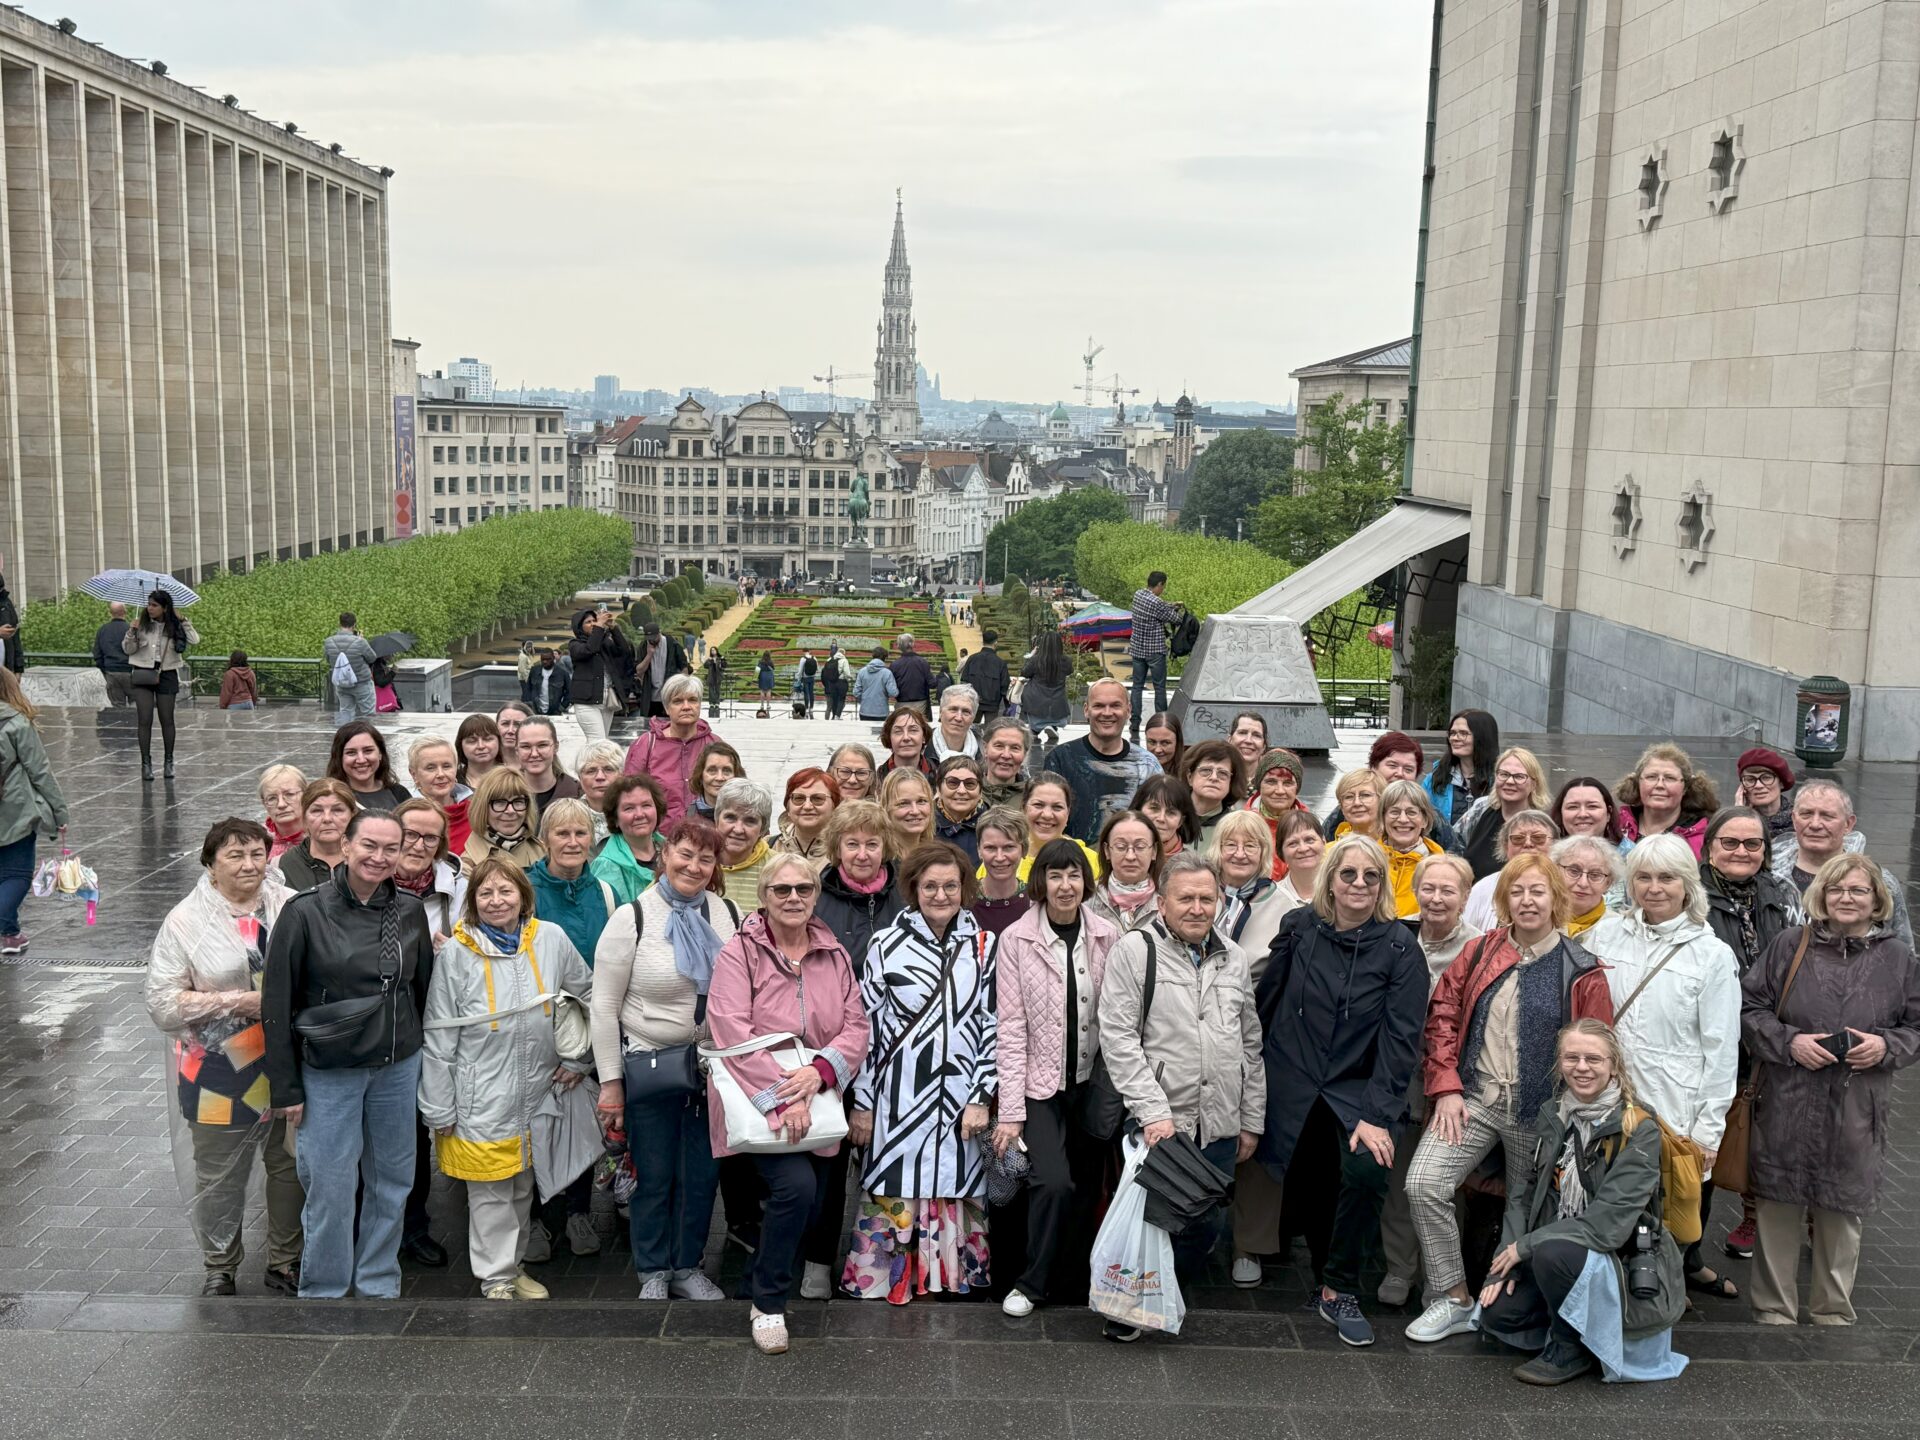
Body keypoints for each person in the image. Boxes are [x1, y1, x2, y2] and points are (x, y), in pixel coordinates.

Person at [1404, 853, 1615, 1344]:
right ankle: (1453, 1297)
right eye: (1517, 891)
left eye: (1537, 891)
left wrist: (1570, 1120)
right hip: (1474, 1100)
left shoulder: (1583, 970)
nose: (1527, 901)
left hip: (1539, 1114)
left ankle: (1504, 1306)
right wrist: (1446, 1087)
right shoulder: (1479, 952)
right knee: (1423, 1183)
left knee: (1525, 1213)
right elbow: (1442, 1018)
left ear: (1556, 899)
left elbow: (1593, 1052)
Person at [1253, 835, 1425, 1346]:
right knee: (1309, 1175)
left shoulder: (1401, 949)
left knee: (1366, 1171)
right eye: (1348, 873)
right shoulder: (1300, 927)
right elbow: (1268, 1001)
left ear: (1382, 885)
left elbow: (1400, 1041)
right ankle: (1323, 1277)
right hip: (1295, 1075)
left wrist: (1376, 1114)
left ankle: (1341, 1288)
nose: (1359, 884)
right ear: (1330, 880)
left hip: (1359, 1085)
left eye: (1371, 876)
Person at [261, 810, 435, 1298]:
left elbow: (422, 991)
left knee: (392, 1180)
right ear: (346, 846)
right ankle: (324, 1286)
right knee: (330, 1185)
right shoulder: (303, 912)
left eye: (390, 848)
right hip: (329, 1070)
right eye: (369, 846)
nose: (379, 857)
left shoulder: (409, 910)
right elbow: (276, 1003)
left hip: (396, 1067)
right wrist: (286, 1088)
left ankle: (378, 1280)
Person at [1742, 855, 1920, 1326]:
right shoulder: (1790, 945)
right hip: (1787, 1097)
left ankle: (1832, 1313)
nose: (1846, 898)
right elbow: (1749, 1007)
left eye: (1858, 890)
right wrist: (1789, 1042)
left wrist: (1885, 1046)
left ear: (1877, 900)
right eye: (1836, 889)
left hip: (1857, 1105)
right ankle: (1773, 1311)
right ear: (1820, 895)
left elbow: (1916, 1027)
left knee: (1842, 1212)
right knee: (1778, 1205)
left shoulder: (1898, 959)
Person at [1096, 851, 1262, 1339]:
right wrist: (1152, 1111)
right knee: (1158, 1221)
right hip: (1163, 1120)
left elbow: (1250, 1042)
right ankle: (1131, 1308)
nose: (1197, 908)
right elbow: (1119, 1038)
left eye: (1206, 898)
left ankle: (1160, 1300)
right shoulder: (1135, 951)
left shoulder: (1233, 957)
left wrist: (1251, 1118)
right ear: (1162, 902)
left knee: (1206, 1225)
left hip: (1220, 1120)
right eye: (1185, 898)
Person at [709, 854, 871, 1350]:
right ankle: (769, 1305)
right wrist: (784, 1100)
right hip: (761, 1097)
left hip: (818, 1096)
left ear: (816, 895)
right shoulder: (739, 953)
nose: (793, 898)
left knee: (813, 1202)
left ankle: (753, 1282)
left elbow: (856, 1026)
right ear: (763, 897)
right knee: (795, 1189)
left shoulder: (832, 953)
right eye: (781, 890)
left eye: (803, 888)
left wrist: (819, 1073)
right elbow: (731, 1033)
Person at [1477, 1019, 1687, 1385]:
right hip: (1557, 1250)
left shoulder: (1638, 1128)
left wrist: (1526, 1247)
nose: (1582, 1067)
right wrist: (1504, 1263)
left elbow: (1606, 1227)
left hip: (1612, 1255)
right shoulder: (1553, 1114)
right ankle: (1582, 1330)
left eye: (1593, 1059)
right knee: (1500, 1314)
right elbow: (1523, 1193)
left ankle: (1569, 1348)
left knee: (1552, 1252)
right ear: (1559, 1063)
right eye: (1571, 1058)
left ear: (1613, 1065)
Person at [420, 856, 592, 1301]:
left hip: (538, 1092)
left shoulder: (550, 939)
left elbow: (587, 994)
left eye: (506, 890)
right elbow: (439, 1034)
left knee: (520, 1186)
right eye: (486, 893)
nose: (497, 901)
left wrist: (579, 1060)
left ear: (523, 895)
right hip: (479, 1096)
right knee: (490, 1192)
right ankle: (495, 1278)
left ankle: (513, 1269)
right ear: (473, 901)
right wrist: (438, 1106)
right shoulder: (457, 953)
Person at [145, 818, 303, 1296]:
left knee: (289, 1164)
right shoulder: (186, 921)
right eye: (235, 855)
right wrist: (239, 1002)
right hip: (215, 1070)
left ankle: (286, 1260)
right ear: (210, 864)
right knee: (220, 1173)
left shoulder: (291, 905)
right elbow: (163, 1003)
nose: (249, 864)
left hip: (286, 1060)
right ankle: (220, 1264)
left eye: (257, 853)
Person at [1581, 834, 1742, 1301]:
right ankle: (1612, 1295)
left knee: (1666, 1208)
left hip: (1674, 1105)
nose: (1654, 888)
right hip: (1607, 1100)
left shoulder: (1712, 955)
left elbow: (1721, 1049)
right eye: (1644, 877)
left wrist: (1708, 1131)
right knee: (1605, 1197)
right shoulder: (1605, 934)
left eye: (1667, 878)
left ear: (1687, 884)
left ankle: (1662, 1297)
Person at [591, 815, 741, 1300]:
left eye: (705, 858)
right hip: (651, 1064)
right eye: (685, 854)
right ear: (664, 854)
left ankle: (687, 1265)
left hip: (711, 1068)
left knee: (702, 1175)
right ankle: (653, 1269)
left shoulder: (728, 913)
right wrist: (611, 1084)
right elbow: (604, 1007)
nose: (694, 866)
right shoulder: (632, 917)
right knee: (654, 1173)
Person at [843, 842, 998, 1304]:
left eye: (950, 885)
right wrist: (863, 1103)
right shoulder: (886, 945)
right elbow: (867, 1029)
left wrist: (981, 1096)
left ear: (964, 888)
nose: (940, 895)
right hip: (898, 1095)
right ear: (913, 888)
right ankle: (884, 1280)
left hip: (959, 1097)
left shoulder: (985, 946)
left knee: (955, 1179)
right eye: (930, 886)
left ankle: (948, 1279)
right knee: (896, 1179)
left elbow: (994, 1025)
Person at [991, 838, 1119, 1316]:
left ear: (1087, 881)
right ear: (1040, 882)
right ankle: (1031, 1282)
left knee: (1086, 1187)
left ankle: (1076, 1281)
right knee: (1053, 1182)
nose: (1065, 885)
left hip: (1091, 1083)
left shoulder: (1107, 935)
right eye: (1055, 875)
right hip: (1039, 1085)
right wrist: (1011, 1111)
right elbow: (1010, 1026)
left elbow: (1118, 1016)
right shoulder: (1016, 939)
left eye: (1074, 875)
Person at [1374, 850, 1482, 1306]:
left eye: (1448, 891)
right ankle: (1399, 1269)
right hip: (1401, 1079)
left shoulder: (1480, 948)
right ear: (1415, 891)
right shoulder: (1397, 937)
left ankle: (1440, 1277)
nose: (1437, 898)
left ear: (1465, 897)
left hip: (1452, 1083)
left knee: (1441, 1183)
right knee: (1399, 1179)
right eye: (1429, 888)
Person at [1696, 805, 1800, 1261]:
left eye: (1753, 843)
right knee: (1707, 1135)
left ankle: (1754, 1214)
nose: (1741, 851)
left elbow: (1801, 949)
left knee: (1764, 1131)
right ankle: (1689, 1246)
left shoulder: (1782, 891)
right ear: (1710, 847)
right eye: (1730, 842)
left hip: (1770, 1030)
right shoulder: (1692, 893)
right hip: (1711, 1032)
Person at [1771, 779, 1912, 947]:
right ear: (1794, 820)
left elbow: (1902, 951)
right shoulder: (1769, 876)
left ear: (1848, 824)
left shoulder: (1880, 882)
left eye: (1827, 816)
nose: (1815, 824)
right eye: (1806, 814)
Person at [1040, 678, 1161, 845]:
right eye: (1099, 706)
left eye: (1115, 705)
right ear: (1086, 710)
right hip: (1069, 858)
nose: (1107, 713)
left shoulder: (1147, 765)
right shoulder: (1060, 759)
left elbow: (1157, 823)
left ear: (1128, 710)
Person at [0, 670, 66, 957]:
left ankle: (10, 933)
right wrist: (59, 813)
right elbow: (39, 771)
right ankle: (6, 932)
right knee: (16, 874)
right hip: (14, 808)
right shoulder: (16, 723)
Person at [622, 674, 718, 829]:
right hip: (658, 836)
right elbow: (628, 792)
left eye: (693, 700)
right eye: (678, 701)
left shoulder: (714, 744)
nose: (686, 707)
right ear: (667, 708)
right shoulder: (646, 744)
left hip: (706, 835)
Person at [124, 588, 198, 780]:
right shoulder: (141, 625)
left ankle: (169, 761)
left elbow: (194, 640)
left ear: (165, 608)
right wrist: (132, 631)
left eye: (155, 605)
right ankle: (145, 763)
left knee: (167, 719)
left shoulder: (174, 626)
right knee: (144, 719)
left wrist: (183, 620)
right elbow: (128, 650)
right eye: (149, 604)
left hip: (166, 674)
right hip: (143, 673)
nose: (150, 608)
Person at [1212, 809, 1300, 961]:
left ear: (1263, 851)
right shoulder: (1200, 893)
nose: (1240, 854)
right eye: (1231, 845)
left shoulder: (1286, 907)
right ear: (1218, 849)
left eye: (1250, 846)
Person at [1461, 810, 1561, 932]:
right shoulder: (1483, 888)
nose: (1528, 843)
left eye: (1538, 838)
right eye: (1518, 838)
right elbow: (1466, 933)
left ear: (1555, 844)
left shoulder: (1566, 884)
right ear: (1505, 846)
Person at [1458, 746, 1550, 879]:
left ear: (1534, 784)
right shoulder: (1480, 809)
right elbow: (1454, 844)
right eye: (1504, 774)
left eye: (1519, 776)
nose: (1510, 781)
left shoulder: (1541, 826)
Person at [1615, 742, 1719, 855]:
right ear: (1638, 782)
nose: (1659, 785)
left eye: (1670, 778)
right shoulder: (1615, 826)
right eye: (1651, 777)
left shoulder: (1706, 836)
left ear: (1685, 787)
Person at [390, 798, 465, 940]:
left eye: (430, 838)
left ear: (440, 844)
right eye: (410, 834)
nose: (419, 846)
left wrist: (451, 949)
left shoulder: (460, 890)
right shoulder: (369, 883)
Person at [1085, 810, 1163, 937]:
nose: (1130, 856)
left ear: (1154, 851)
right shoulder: (1087, 897)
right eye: (1121, 847)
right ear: (1107, 851)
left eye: (1140, 847)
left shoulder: (1167, 901)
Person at [593, 773, 667, 905]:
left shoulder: (672, 850)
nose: (639, 814)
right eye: (629, 808)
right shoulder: (606, 866)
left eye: (646, 805)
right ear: (615, 818)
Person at [1125, 569, 1182, 738]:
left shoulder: (1138, 594)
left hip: (1137, 649)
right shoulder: (1157, 603)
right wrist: (1176, 610)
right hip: (1154, 651)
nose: (1163, 590)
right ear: (1159, 584)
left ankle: (1135, 722)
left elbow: (1158, 607)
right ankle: (1162, 721)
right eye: (1163, 587)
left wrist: (1171, 604)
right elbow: (1176, 619)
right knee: (1159, 687)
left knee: (1137, 686)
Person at [462, 767, 546, 877]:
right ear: (483, 807)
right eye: (500, 802)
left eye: (518, 801)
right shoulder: (468, 865)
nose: (510, 811)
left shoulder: (542, 851)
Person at [1378, 779, 1444, 918]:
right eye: (1394, 812)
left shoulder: (1440, 866)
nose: (1403, 819)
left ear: (1425, 820)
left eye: (1411, 812)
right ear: (1383, 818)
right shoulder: (1368, 859)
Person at [277, 779, 357, 892]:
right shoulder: (284, 865)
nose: (327, 818)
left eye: (337, 810)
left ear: (352, 816)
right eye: (317, 811)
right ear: (304, 818)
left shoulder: (369, 858)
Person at [1423, 708, 1498, 826]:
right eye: (1452, 733)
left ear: (1482, 737)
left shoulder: (1501, 780)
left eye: (1463, 733)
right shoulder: (1434, 780)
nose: (1455, 738)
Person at [971, 807, 1032, 936]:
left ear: (1024, 849)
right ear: (979, 850)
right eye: (990, 848)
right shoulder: (963, 900)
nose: (999, 857)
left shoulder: (1035, 903)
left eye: (1009, 847)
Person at [715, 777, 775, 908]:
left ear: (762, 829)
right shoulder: (698, 862)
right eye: (730, 817)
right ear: (717, 820)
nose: (738, 829)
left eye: (750, 821)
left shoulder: (778, 867)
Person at [327, 722, 411, 813]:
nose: (361, 760)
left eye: (368, 751)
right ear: (339, 758)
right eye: (351, 752)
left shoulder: (399, 794)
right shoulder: (328, 796)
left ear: (380, 754)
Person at [516, 716, 583, 823]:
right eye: (526, 746)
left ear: (556, 747)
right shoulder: (502, 791)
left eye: (542, 745)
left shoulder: (576, 792)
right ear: (517, 750)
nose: (534, 754)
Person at [1554, 833, 1623, 937]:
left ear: (1608, 883)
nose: (1583, 883)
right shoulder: (1537, 921)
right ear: (1555, 871)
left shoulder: (1621, 931)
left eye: (1595, 875)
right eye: (1574, 871)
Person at [771, 767, 841, 869]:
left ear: (834, 807)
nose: (807, 806)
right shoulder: (768, 847)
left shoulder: (845, 851)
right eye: (799, 798)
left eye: (818, 798)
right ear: (788, 807)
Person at [566, 609, 616, 741]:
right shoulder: (575, 645)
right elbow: (590, 649)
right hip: (586, 702)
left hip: (606, 700)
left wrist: (613, 628)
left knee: (604, 742)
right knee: (597, 741)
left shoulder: (603, 642)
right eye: (588, 622)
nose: (593, 624)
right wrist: (599, 626)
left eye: (595, 620)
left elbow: (623, 651)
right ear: (579, 627)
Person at [930, 754, 986, 863]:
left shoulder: (994, 825)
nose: (961, 791)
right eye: (952, 783)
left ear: (980, 791)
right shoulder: (924, 825)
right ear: (938, 788)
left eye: (970, 784)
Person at [323, 612, 377, 725]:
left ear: (340, 624)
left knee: (345, 712)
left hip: (342, 683)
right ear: (354, 625)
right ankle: (366, 734)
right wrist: (361, 640)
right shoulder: (360, 642)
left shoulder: (328, 642)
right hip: (361, 682)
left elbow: (328, 660)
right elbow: (372, 658)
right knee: (368, 714)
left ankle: (346, 734)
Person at [1733, 746, 1797, 841]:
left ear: (1781, 783)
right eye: (1750, 779)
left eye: (1766, 778)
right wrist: (1739, 815)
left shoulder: (1799, 820)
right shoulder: (1730, 821)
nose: (1758, 785)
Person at [1180, 739, 1241, 837]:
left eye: (1222, 773)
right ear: (1190, 777)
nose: (1214, 777)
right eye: (1206, 770)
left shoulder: (1238, 826)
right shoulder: (1169, 818)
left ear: (1231, 782)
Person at [1133, 774, 1199, 861]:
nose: (1161, 818)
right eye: (1154, 808)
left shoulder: (1192, 865)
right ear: (1138, 810)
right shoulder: (1118, 855)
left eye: (1171, 813)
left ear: (1180, 821)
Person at [1019, 629, 1072, 734]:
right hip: (1057, 700)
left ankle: (1035, 731)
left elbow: (1024, 672)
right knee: (1053, 714)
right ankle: (1053, 727)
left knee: (1034, 724)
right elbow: (1070, 671)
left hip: (1035, 700)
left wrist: (1031, 655)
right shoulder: (1066, 661)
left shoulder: (1036, 660)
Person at [1551, 775, 1625, 849]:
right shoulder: (1547, 853)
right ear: (1560, 813)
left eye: (1592, 806)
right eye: (1573, 807)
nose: (1582, 814)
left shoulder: (1629, 854)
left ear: (1608, 813)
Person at [575, 740, 627, 844]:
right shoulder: (566, 815)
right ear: (580, 777)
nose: (600, 777)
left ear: (622, 775)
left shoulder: (635, 813)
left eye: (608, 769)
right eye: (591, 771)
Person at [636, 621, 691, 717]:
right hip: (651, 697)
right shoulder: (643, 646)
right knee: (651, 723)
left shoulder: (672, 644)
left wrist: (682, 688)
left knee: (671, 722)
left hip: (670, 694)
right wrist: (649, 654)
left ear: (659, 633)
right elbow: (639, 670)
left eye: (654, 638)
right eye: (649, 638)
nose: (652, 641)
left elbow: (684, 666)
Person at [1274, 809, 1326, 908]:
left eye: (1309, 840)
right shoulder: (1271, 899)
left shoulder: (1344, 891)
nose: (1303, 849)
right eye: (1293, 843)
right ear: (1280, 852)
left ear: (1323, 842)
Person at [880, 768, 937, 857]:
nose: (915, 811)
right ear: (886, 808)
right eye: (903, 803)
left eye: (921, 801)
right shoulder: (877, 859)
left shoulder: (937, 856)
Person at [259, 765, 308, 861]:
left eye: (289, 794)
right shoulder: (257, 839)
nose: (281, 804)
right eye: (272, 798)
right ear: (264, 803)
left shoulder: (322, 835)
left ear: (306, 795)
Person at [959, 630, 1010, 721]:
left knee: (970, 727)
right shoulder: (1000, 663)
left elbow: (964, 680)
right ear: (996, 642)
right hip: (992, 704)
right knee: (991, 728)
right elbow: (1004, 685)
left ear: (983, 641)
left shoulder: (972, 658)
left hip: (973, 702)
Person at [92, 600, 134, 707]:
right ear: (125, 612)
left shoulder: (103, 630)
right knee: (136, 704)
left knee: (117, 706)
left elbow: (97, 654)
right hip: (131, 672)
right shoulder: (131, 630)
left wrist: (105, 670)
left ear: (110, 613)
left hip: (111, 672)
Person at [877, 706, 936, 781]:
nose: (906, 737)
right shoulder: (875, 780)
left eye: (913, 730)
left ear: (923, 737)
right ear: (889, 738)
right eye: (898, 731)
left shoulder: (940, 776)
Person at [691, 740, 742, 821]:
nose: (719, 778)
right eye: (712, 770)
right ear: (700, 775)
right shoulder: (689, 815)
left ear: (736, 776)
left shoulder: (749, 813)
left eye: (726, 770)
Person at [1328, 769, 1384, 841]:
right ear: (1341, 807)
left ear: (1382, 800)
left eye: (1365, 795)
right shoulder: (1330, 848)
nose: (1357, 803)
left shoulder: (1396, 844)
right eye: (1349, 797)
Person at [931, 684, 981, 762]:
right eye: (953, 709)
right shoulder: (921, 747)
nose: (958, 718)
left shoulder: (985, 752)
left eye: (966, 712)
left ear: (973, 718)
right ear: (940, 712)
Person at [889, 633, 934, 717]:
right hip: (920, 703)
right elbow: (932, 684)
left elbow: (891, 686)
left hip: (901, 703)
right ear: (912, 644)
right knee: (918, 724)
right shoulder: (922, 662)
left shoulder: (895, 664)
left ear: (899, 646)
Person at [456, 715, 505, 788]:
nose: (481, 746)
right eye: (472, 741)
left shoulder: (513, 779)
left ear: (499, 741)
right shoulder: (452, 781)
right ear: (460, 745)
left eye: (487, 739)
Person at [853, 646, 897, 720]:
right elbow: (893, 692)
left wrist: (864, 700)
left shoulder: (862, 671)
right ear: (885, 658)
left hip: (865, 711)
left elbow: (856, 692)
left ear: (872, 656)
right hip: (881, 711)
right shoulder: (887, 673)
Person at [1140, 711, 1184, 775]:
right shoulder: (1136, 772)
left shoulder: (1190, 775)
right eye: (1152, 742)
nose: (1158, 750)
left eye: (1165, 743)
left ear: (1177, 742)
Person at [822, 643, 851, 720]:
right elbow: (847, 673)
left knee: (834, 699)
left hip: (832, 683)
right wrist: (849, 678)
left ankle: (834, 715)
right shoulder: (844, 660)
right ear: (843, 653)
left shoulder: (830, 660)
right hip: (841, 682)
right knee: (841, 699)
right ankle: (837, 716)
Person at [797, 649, 819, 717]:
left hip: (805, 678)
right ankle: (811, 708)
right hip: (812, 677)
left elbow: (800, 670)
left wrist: (798, 678)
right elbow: (817, 668)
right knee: (811, 693)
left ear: (803, 652)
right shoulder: (814, 658)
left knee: (806, 693)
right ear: (809, 652)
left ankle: (806, 708)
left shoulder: (803, 659)